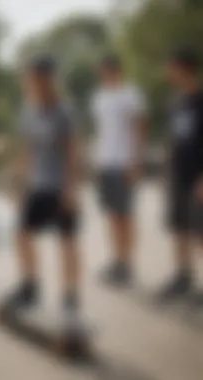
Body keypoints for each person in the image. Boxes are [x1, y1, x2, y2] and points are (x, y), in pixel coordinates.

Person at [8, 56, 83, 330]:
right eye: (26, 79)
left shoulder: (64, 111)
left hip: (61, 186)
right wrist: (18, 182)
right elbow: (27, 149)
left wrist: (71, 189)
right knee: (21, 233)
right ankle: (30, 286)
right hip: (38, 185)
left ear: (47, 80)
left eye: (33, 78)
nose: (28, 84)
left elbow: (73, 152)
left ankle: (70, 296)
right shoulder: (28, 110)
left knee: (67, 241)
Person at [90, 55, 147, 287]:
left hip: (124, 163)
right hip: (105, 162)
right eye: (101, 72)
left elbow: (139, 128)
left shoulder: (130, 94)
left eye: (107, 71)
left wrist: (136, 162)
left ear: (117, 71)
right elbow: (101, 130)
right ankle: (116, 260)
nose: (104, 75)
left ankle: (127, 263)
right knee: (112, 215)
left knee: (126, 215)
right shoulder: (99, 97)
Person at [158, 47, 203, 307]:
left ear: (185, 68)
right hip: (177, 173)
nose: (168, 73)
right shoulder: (175, 101)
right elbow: (172, 138)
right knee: (178, 227)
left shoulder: (200, 100)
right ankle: (183, 276)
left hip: (198, 176)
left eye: (171, 67)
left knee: (200, 231)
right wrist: (166, 168)